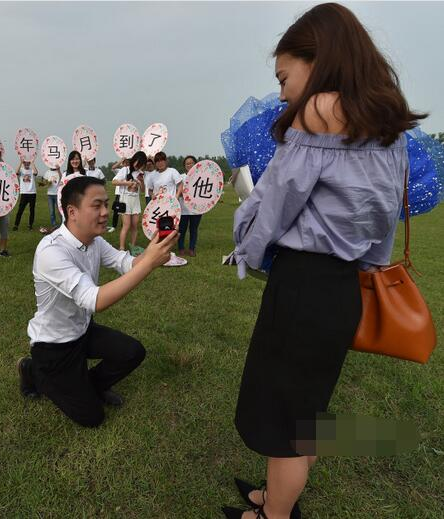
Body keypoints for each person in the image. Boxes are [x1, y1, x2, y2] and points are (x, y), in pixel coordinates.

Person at [222, 4, 424, 519]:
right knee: (307, 411)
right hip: (343, 290)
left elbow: (275, 201)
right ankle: (275, 496)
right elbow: (384, 222)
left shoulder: (318, 112)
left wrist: (246, 246)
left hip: (303, 286)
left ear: (319, 59)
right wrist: (369, 267)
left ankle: (273, 514)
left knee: (283, 422)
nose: (284, 92)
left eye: (285, 77)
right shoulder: (389, 121)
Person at [17, 175, 178, 427]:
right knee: (92, 417)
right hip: (54, 346)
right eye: (97, 205)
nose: (105, 212)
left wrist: (152, 251)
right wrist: (148, 264)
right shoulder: (51, 251)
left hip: (82, 331)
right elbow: (94, 300)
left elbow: (125, 263)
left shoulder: (95, 241)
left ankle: (89, 385)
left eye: (106, 204)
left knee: (132, 352)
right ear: (72, 211)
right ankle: (33, 371)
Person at [112, 151, 147, 254]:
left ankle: (133, 247)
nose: (138, 166)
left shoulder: (140, 173)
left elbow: (143, 190)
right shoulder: (125, 169)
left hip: (135, 202)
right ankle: (122, 248)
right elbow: (114, 182)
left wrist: (142, 181)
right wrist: (127, 183)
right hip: (125, 201)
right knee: (126, 225)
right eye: (138, 163)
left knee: (134, 226)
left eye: (141, 165)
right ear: (134, 160)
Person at [177, 155, 202, 257]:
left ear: (195, 164)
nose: (189, 165)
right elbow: (177, 191)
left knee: (193, 229)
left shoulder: (200, 176)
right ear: (184, 166)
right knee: (181, 230)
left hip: (197, 209)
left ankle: (192, 248)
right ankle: (181, 248)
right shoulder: (181, 177)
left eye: (191, 163)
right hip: (183, 209)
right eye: (187, 163)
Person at [13, 159, 39, 231]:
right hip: (24, 193)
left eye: (28, 163)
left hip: (32, 192)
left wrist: (32, 163)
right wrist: (21, 162)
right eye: (25, 163)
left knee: (32, 210)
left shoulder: (32, 170)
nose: (26, 164)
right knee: (20, 210)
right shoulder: (21, 170)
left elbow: (36, 172)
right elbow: (16, 172)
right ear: (23, 163)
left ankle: (30, 225)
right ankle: (16, 225)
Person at [107, 158, 128, 233]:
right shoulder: (120, 171)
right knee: (116, 210)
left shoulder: (130, 170)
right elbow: (112, 168)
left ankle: (124, 226)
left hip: (126, 194)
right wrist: (121, 160)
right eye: (124, 162)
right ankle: (114, 226)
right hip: (118, 193)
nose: (126, 163)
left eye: (127, 162)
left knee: (124, 210)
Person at [43, 165, 61, 232]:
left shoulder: (57, 172)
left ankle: (62, 224)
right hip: (50, 194)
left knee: (59, 210)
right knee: (51, 211)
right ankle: (54, 225)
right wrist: (47, 183)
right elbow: (44, 182)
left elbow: (61, 178)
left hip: (57, 194)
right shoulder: (47, 172)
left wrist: (59, 170)